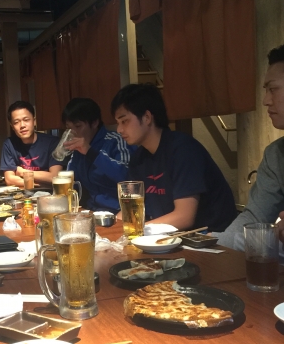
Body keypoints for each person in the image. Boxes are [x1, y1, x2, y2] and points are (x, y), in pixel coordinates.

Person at [111, 83, 237, 231]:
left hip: (212, 237)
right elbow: (131, 211)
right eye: (118, 123)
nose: (119, 129)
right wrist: (110, 228)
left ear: (147, 117)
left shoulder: (183, 150)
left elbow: (184, 217)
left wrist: (137, 229)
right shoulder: (138, 158)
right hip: (171, 237)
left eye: (124, 121)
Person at [217, 45, 284, 249]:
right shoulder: (276, 154)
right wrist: (218, 247)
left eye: (272, 89)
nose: (265, 101)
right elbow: (255, 217)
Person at [62, 98, 134, 212]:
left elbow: (128, 177)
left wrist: (90, 152)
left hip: (119, 211)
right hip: (92, 210)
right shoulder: (77, 149)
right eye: (69, 128)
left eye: (78, 126)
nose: (73, 132)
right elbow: (72, 181)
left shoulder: (116, 141)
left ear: (95, 123)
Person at [0, 100, 62, 187]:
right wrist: (41, 182)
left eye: (26, 120)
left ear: (34, 121)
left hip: (50, 194)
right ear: (12, 127)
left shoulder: (52, 142)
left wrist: (23, 172)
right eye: (16, 122)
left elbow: (55, 177)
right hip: (22, 194)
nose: (22, 125)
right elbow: (9, 180)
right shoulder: (9, 144)